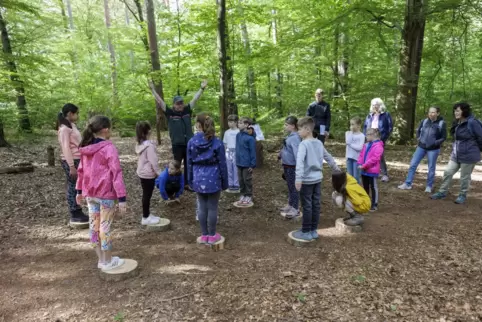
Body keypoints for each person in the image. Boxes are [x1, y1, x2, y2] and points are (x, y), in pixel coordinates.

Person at [75, 116, 127, 271]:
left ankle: (101, 260)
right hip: (106, 195)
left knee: (94, 226)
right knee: (105, 227)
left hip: (90, 194)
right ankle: (108, 261)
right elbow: (116, 173)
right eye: (110, 128)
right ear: (105, 129)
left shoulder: (85, 148)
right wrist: (122, 198)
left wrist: (79, 191)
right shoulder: (108, 147)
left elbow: (81, 172)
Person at [149, 79, 208, 190]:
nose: (180, 105)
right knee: (176, 164)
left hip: (189, 143)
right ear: (174, 105)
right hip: (177, 144)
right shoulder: (170, 113)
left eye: (181, 103)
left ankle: (187, 183)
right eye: (178, 103)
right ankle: (175, 184)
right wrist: (152, 89)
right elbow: (160, 101)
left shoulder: (187, 110)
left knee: (188, 163)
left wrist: (202, 88)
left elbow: (195, 99)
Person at [294, 117, 340, 241]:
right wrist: (335, 168)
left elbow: (299, 163)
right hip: (317, 179)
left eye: (299, 129)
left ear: (307, 129)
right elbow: (328, 157)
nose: (298, 132)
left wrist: (298, 179)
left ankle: (306, 231)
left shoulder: (303, 144)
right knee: (315, 204)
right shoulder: (319, 143)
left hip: (307, 181)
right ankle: (313, 230)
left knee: (307, 206)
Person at [187, 113, 228, 244]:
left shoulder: (192, 141)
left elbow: (188, 163)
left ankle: (204, 235)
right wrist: (225, 182)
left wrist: (190, 180)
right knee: (212, 207)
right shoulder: (217, 142)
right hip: (213, 177)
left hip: (198, 177)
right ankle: (212, 235)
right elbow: (223, 163)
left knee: (202, 207)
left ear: (197, 125)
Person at [431, 102, 482, 204]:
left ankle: (462, 195)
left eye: (458, 110)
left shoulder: (472, 122)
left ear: (464, 111)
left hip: (469, 154)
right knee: (448, 172)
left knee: (464, 177)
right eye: (455, 110)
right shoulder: (457, 122)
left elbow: (481, 137)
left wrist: (479, 150)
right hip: (456, 154)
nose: (455, 112)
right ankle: (442, 192)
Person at [398, 107, 447, 193]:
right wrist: (418, 138)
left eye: (433, 112)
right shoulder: (424, 121)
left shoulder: (441, 123)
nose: (431, 114)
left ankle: (429, 186)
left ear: (438, 113)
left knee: (431, 167)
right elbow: (418, 131)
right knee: (413, 164)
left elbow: (444, 137)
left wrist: (435, 143)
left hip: (433, 149)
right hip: (421, 147)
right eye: (430, 112)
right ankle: (408, 183)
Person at [57, 103, 89, 224]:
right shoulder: (64, 129)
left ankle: (78, 209)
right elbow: (65, 148)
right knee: (73, 185)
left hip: (78, 158)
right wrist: (71, 166)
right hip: (70, 160)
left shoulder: (72, 126)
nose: (77, 116)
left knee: (78, 185)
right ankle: (74, 213)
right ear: (70, 113)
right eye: (76, 113)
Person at [135, 121, 161, 225]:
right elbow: (153, 161)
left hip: (142, 172)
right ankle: (145, 217)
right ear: (147, 131)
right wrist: (159, 173)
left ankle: (147, 214)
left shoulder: (140, 144)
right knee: (147, 195)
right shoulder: (149, 146)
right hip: (148, 174)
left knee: (146, 194)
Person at [363, 98, 393, 182]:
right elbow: (365, 126)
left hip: (380, 137)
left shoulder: (386, 114)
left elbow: (390, 127)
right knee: (369, 155)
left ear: (380, 105)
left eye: (376, 104)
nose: (374, 106)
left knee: (380, 156)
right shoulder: (369, 115)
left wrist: (384, 137)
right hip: (369, 137)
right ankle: (372, 172)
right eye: (373, 104)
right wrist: (365, 136)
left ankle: (385, 174)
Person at [279, 116, 301, 218]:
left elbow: (297, 154)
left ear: (293, 126)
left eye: (286, 125)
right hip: (287, 165)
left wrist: (298, 168)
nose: (285, 126)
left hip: (293, 166)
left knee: (294, 188)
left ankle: (295, 208)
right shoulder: (290, 136)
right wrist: (281, 154)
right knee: (289, 186)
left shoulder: (295, 138)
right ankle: (290, 204)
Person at [357, 128, 384, 212]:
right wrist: (360, 163)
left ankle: (374, 204)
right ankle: (366, 202)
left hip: (372, 171)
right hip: (364, 170)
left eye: (368, 134)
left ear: (373, 135)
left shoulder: (379, 146)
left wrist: (365, 165)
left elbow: (375, 158)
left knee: (373, 187)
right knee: (365, 187)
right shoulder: (366, 145)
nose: (366, 136)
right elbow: (361, 155)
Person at [235, 117, 257, 206]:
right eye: (238, 123)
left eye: (240, 123)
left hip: (247, 163)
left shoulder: (250, 138)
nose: (238, 124)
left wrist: (252, 165)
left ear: (246, 125)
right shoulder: (238, 135)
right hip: (239, 162)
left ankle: (248, 195)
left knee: (247, 180)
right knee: (240, 180)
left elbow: (253, 152)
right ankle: (243, 194)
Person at [223, 114, 240, 192]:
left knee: (236, 168)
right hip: (228, 151)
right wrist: (224, 152)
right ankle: (230, 184)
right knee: (229, 168)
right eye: (228, 122)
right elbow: (225, 143)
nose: (229, 123)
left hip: (236, 151)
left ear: (236, 122)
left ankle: (236, 184)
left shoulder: (239, 132)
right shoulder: (226, 132)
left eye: (231, 122)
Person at [345, 116, 365, 183]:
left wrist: (350, 144)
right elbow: (347, 141)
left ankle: (357, 191)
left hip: (357, 159)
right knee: (349, 176)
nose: (351, 126)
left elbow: (360, 148)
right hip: (349, 158)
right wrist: (351, 132)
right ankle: (350, 191)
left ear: (358, 125)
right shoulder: (348, 133)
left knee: (356, 177)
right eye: (351, 124)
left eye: (353, 124)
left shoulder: (362, 136)